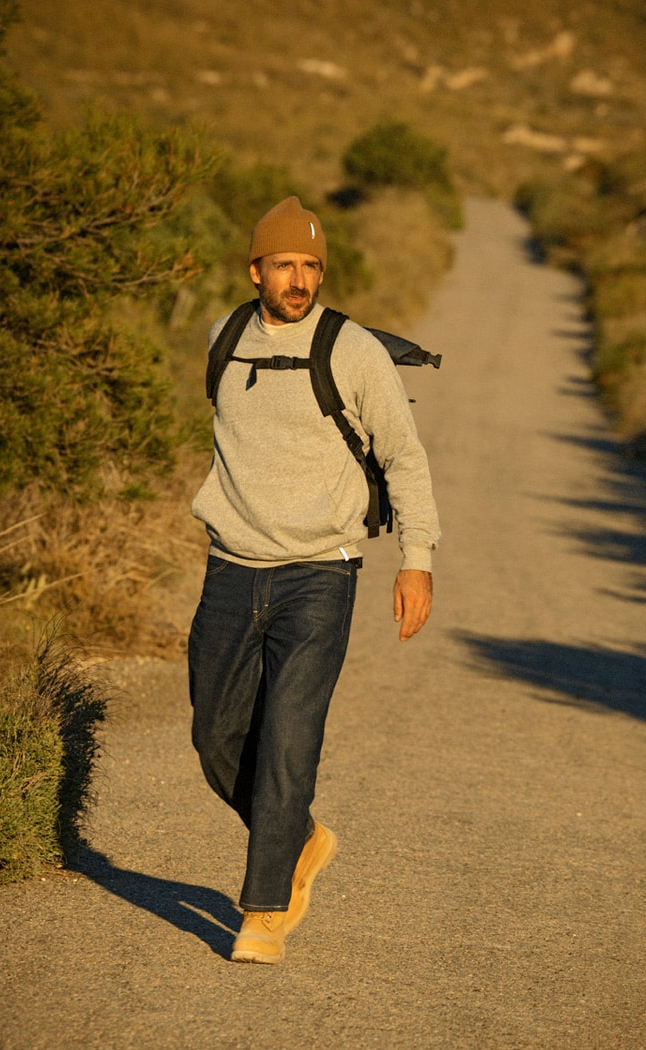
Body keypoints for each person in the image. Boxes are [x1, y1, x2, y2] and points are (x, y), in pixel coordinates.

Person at [188, 196, 440, 964]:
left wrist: (417, 561)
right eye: (285, 265)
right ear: (256, 270)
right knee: (215, 736)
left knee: (290, 741)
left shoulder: (352, 349)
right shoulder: (223, 339)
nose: (299, 279)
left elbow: (404, 456)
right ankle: (297, 837)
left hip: (321, 574)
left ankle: (263, 910)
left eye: (311, 266)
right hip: (232, 568)